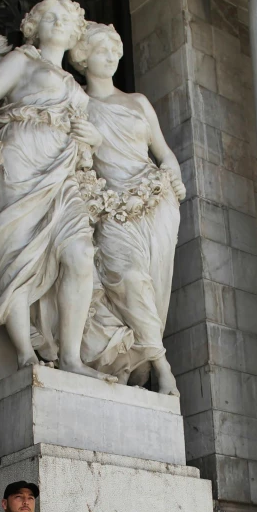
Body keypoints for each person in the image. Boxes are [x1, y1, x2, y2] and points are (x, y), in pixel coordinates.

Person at [0, 0, 115, 381]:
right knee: (18, 258)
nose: (59, 23)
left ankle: (72, 358)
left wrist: (91, 137)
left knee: (79, 254)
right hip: (18, 161)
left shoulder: (75, 84)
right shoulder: (22, 60)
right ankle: (25, 354)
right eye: (50, 17)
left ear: (76, 31)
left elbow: (89, 141)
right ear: (33, 26)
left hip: (62, 172)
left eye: (66, 19)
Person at [70, 23, 186, 395]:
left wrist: (174, 176)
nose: (112, 57)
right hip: (111, 206)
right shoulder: (77, 104)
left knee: (152, 288)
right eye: (102, 50)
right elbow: (72, 164)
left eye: (115, 51)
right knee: (129, 278)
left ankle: (136, 364)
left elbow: (165, 153)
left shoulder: (137, 102)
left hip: (155, 205)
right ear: (83, 57)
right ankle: (162, 367)